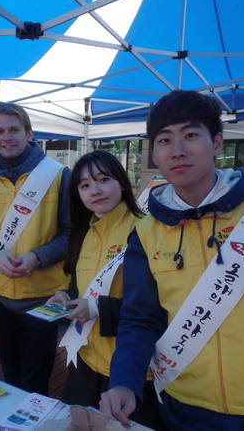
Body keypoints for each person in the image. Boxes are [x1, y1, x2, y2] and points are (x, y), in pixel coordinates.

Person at [100, 90, 244, 429]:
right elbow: (140, 317)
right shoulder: (145, 231)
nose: (178, 150)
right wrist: (124, 380)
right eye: (164, 140)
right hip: (188, 405)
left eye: (190, 135)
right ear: (155, 152)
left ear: (217, 143)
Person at [46, 151, 164, 428]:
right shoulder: (84, 231)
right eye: (85, 185)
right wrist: (67, 297)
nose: (95, 190)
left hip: (134, 373)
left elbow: (161, 306)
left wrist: (97, 308)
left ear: (122, 183)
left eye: (103, 179)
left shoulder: (147, 230)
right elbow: (79, 285)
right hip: (85, 360)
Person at [0, 103, 71, 395]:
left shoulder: (58, 176)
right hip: (1, 295)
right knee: (10, 375)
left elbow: (72, 233)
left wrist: (37, 257)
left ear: (29, 133)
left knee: (35, 381)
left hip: (46, 295)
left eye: (14, 129)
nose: (7, 137)